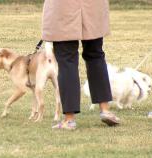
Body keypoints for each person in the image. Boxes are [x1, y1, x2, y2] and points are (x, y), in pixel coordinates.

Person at [42, 0, 120, 129]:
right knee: (95, 55)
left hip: (63, 8)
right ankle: (105, 110)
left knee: (67, 60)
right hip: (93, 7)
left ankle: (69, 119)